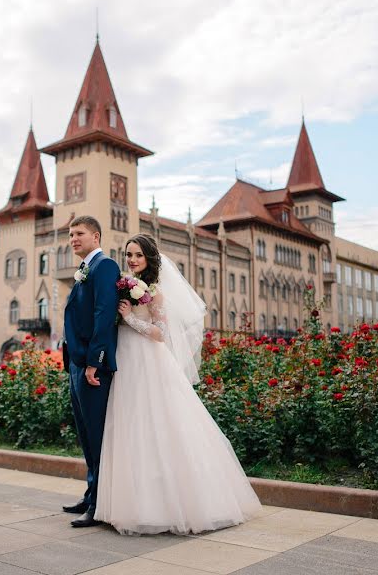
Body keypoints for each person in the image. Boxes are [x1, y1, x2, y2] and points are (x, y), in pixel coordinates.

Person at [95, 233, 262, 535]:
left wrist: (130, 318)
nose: (132, 260)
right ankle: (130, 503)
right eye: (129, 254)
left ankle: (172, 506)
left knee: (158, 423)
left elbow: (160, 332)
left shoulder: (155, 292)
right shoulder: (123, 285)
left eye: (138, 255)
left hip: (149, 360)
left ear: (149, 259)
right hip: (127, 360)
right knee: (130, 424)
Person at [60, 215, 120, 528]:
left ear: (95, 236)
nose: (73, 239)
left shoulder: (105, 266)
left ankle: (98, 506)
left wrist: (95, 360)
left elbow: (103, 314)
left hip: (91, 367)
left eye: (79, 233)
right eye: (71, 234)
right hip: (76, 363)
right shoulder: (85, 269)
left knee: (96, 436)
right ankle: (91, 493)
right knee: (85, 435)